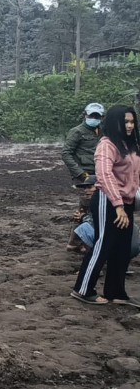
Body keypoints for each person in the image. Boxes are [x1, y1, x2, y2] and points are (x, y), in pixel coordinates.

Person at [71, 105, 140, 307]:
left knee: (123, 246)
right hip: (107, 200)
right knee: (104, 243)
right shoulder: (107, 145)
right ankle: (83, 289)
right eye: (125, 121)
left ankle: (115, 291)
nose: (129, 125)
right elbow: (104, 175)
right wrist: (118, 205)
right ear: (113, 122)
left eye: (132, 121)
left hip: (125, 200)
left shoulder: (131, 145)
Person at [62, 102, 104, 183]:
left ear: (102, 117)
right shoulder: (76, 131)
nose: (94, 118)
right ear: (85, 115)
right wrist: (82, 175)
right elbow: (66, 154)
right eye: (91, 115)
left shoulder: (103, 132)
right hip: (83, 175)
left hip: (100, 174)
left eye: (97, 116)